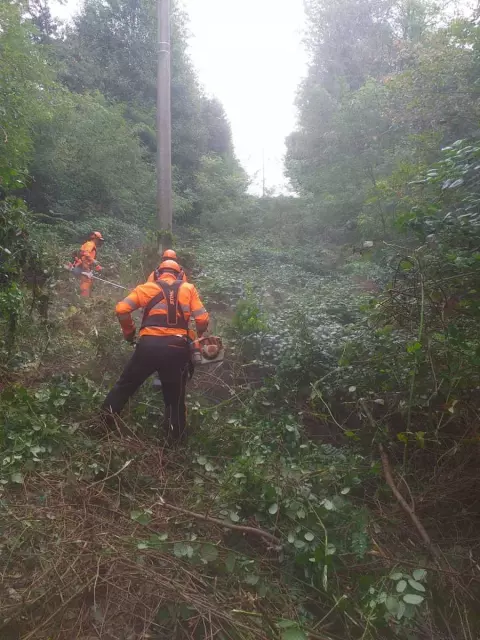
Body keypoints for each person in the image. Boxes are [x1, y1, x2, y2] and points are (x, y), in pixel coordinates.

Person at [102, 259, 209, 441]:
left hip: (148, 346)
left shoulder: (146, 288)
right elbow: (202, 319)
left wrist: (129, 333)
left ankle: (101, 425)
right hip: (177, 348)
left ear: (157, 273)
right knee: (175, 399)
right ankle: (174, 442)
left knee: (124, 386)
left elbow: (121, 309)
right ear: (180, 275)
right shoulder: (189, 288)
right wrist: (199, 335)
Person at [73, 231, 104, 297]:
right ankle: (83, 299)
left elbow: (88, 257)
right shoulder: (90, 244)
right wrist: (93, 261)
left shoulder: (89, 244)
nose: (99, 242)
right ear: (95, 239)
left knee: (87, 281)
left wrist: (97, 266)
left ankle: (82, 297)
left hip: (84, 265)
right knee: (86, 282)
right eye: (99, 240)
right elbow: (85, 254)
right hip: (84, 266)